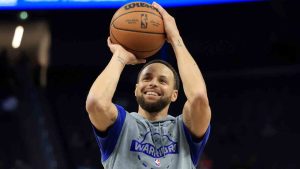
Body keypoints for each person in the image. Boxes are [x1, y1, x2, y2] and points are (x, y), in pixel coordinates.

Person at [86, 2, 211, 169]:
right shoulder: (120, 126)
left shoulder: (185, 130)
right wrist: (120, 58)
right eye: (147, 78)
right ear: (136, 89)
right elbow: (95, 103)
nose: (153, 83)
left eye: (162, 80)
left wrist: (176, 39)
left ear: (175, 94)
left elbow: (198, 98)